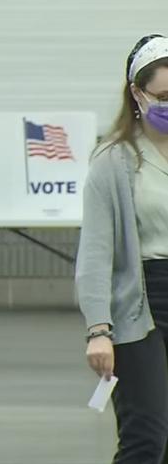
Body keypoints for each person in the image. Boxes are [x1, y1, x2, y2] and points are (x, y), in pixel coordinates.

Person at [78, 34, 168, 464]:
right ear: (137, 93)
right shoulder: (113, 161)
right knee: (145, 438)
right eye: (164, 95)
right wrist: (99, 329)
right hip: (142, 305)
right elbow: (95, 253)